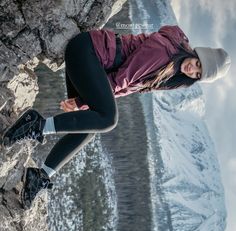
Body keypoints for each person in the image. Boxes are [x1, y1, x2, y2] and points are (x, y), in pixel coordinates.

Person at [1, 25, 231, 209]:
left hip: (94, 66)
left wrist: (86, 103)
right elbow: (124, 78)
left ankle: (40, 174)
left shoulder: (171, 72)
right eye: (198, 63)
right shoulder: (164, 52)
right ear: (197, 52)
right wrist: (83, 102)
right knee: (108, 120)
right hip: (87, 52)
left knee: (90, 129)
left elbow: (125, 87)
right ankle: (37, 125)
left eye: (198, 74)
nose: (193, 70)